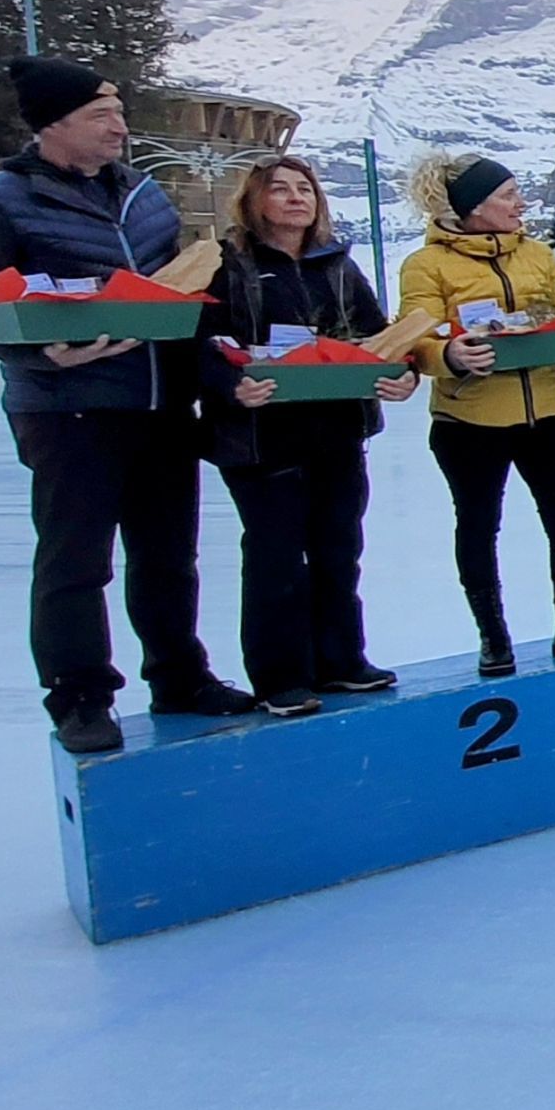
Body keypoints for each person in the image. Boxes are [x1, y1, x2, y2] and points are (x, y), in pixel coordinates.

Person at [0, 55, 252, 753]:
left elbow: (180, 300)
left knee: (169, 556)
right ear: (53, 126)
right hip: (68, 408)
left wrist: (216, 372)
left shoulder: (145, 196)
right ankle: (80, 694)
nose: (119, 125)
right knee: (77, 559)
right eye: (99, 114)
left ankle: (179, 674)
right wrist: (38, 351)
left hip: (159, 405)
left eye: (118, 109)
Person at [201, 155, 416, 716]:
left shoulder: (339, 267)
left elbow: (377, 337)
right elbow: (195, 343)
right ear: (253, 200)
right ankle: (280, 677)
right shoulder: (229, 265)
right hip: (260, 435)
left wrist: (401, 374)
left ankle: (341, 660)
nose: (297, 198)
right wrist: (229, 385)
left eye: (306, 189)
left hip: (338, 430)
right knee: (275, 557)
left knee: (338, 549)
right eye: (281, 189)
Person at [398, 152, 555, 676]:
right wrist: (448, 357)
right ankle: (493, 636)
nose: (522, 204)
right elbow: (415, 338)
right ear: (474, 207)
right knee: (478, 526)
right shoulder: (426, 265)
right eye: (508, 195)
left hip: (546, 410)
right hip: (468, 421)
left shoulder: (538, 254)